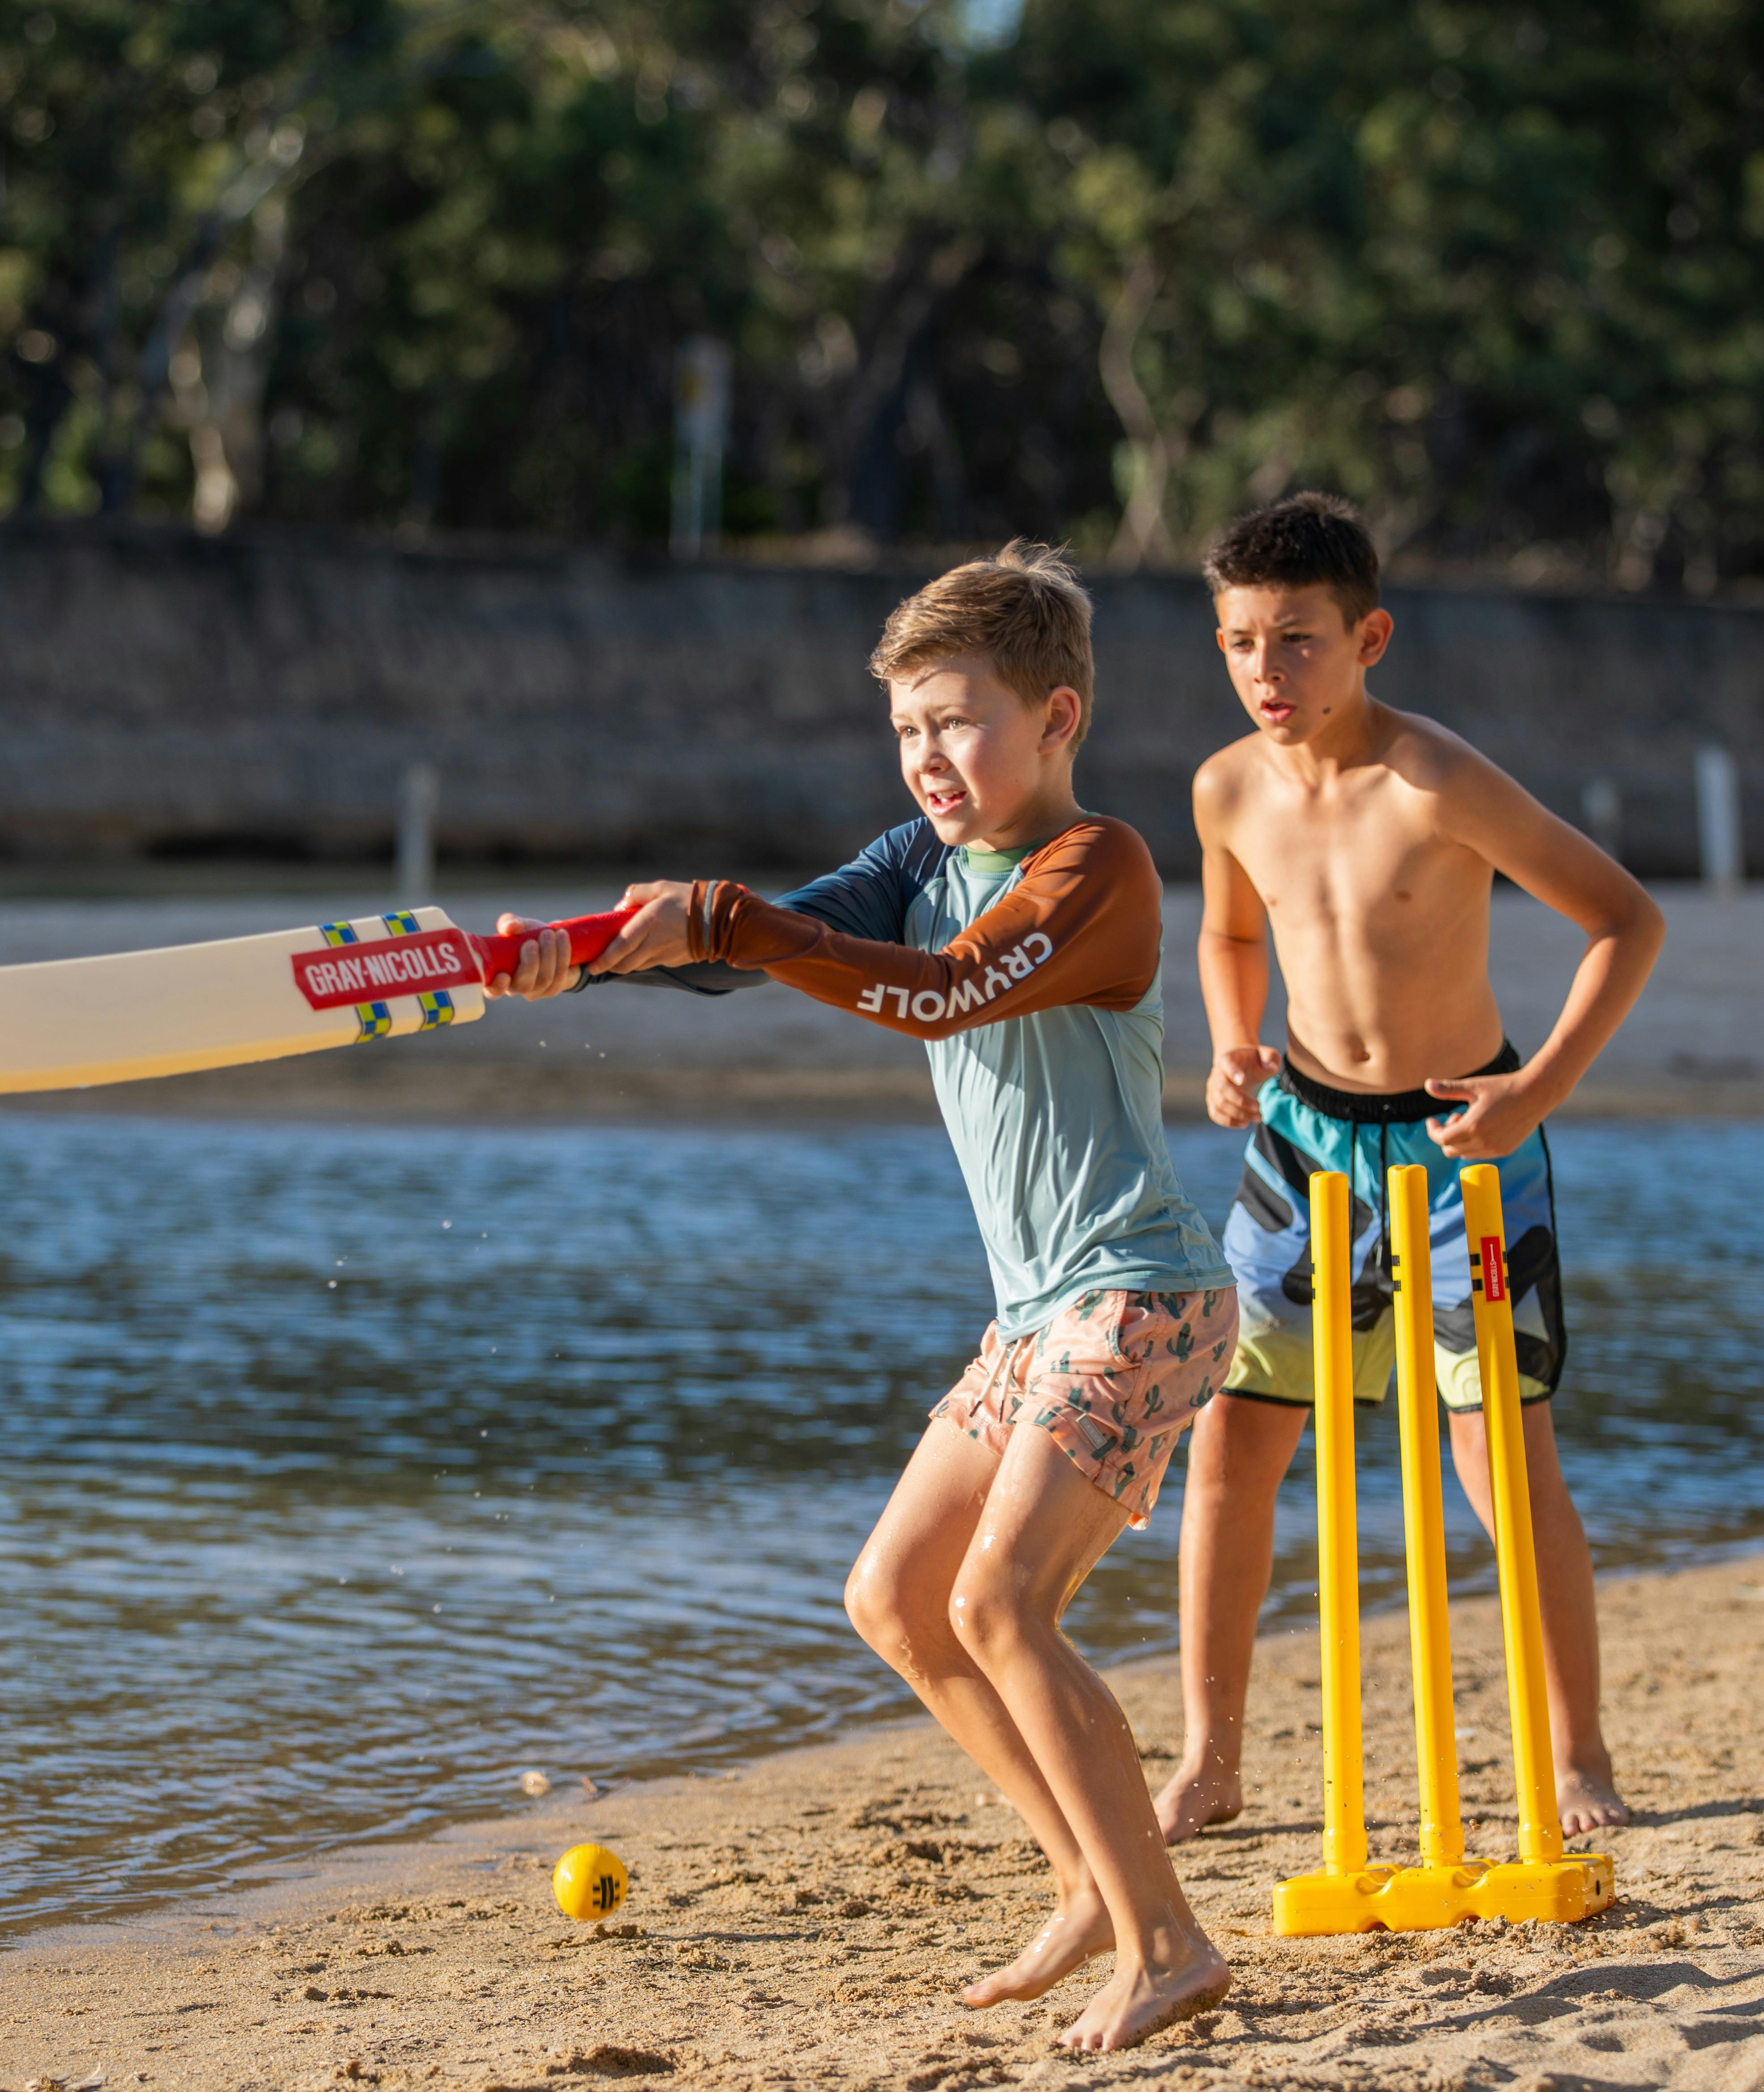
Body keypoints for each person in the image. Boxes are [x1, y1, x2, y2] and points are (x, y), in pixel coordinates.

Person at [490, 544, 1236, 2051]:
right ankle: (1090, 1881)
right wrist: (581, 959)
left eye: (959, 721)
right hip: (1040, 1313)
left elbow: (941, 989)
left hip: (1141, 1296)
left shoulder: (1099, 869)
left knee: (1001, 1600)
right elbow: (776, 941)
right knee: (898, 1599)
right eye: (907, 728)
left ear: (1057, 717)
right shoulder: (914, 855)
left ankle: (1168, 1942)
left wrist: (729, 919)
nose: (930, 757)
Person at [1153, 493, 1665, 1850]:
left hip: (1460, 1161)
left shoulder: (1436, 780)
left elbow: (1626, 918)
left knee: (1503, 1459)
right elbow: (1230, 936)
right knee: (1231, 1448)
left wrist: (1537, 1091)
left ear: (1369, 635)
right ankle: (1209, 1761)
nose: (1271, 672)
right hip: (1298, 1145)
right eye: (1244, 644)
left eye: (1301, 641)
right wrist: (1230, 1046)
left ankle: (1580, 1758)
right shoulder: (1223, 786)